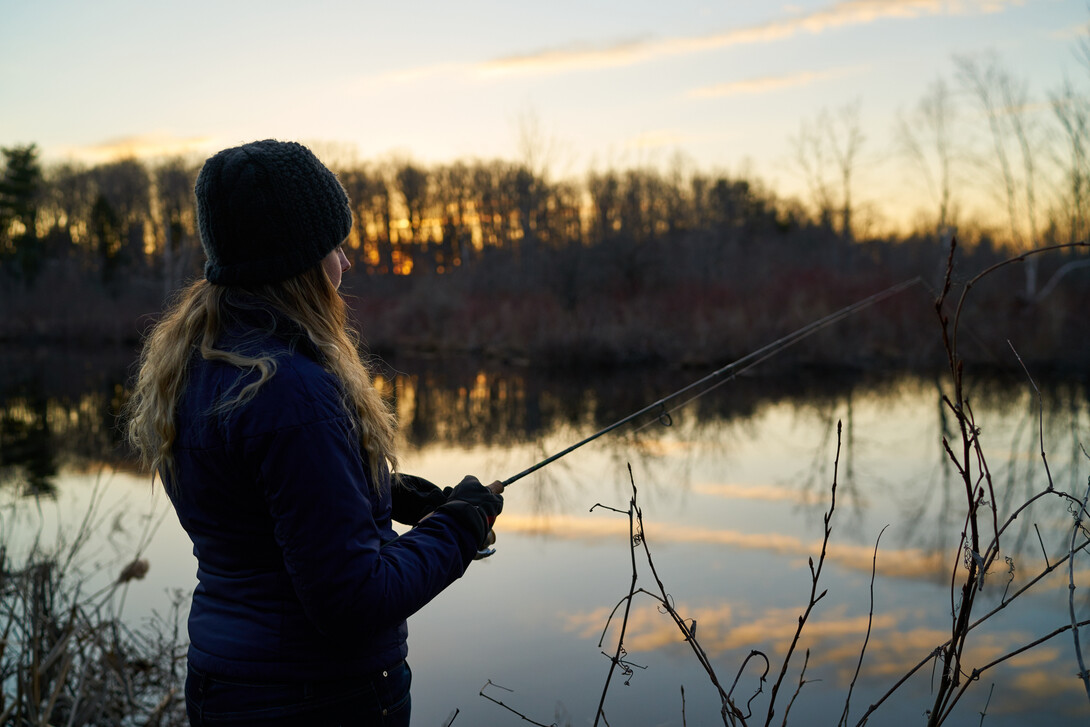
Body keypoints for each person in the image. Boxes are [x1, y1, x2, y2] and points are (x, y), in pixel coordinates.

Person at [125, 139, 504, 726]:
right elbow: (355, 600)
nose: (344, 263)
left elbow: (261, 500)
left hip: (225, 685)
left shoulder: (199, 367)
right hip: (316, 699)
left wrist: (393, 492)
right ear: (297, 260)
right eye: (335, 245)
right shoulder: (290, 389)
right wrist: (460, 527)